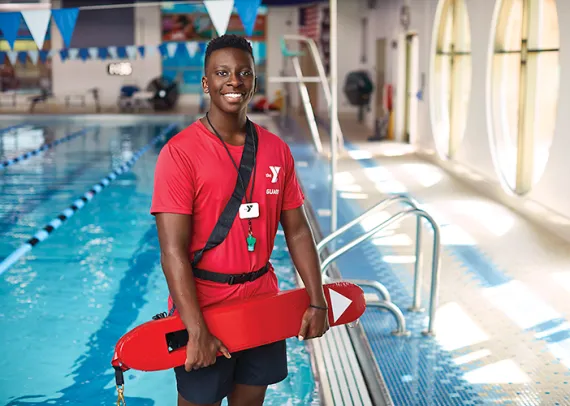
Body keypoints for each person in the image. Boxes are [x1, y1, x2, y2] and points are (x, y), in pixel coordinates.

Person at [150, 34, 330, 406]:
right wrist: (196, 330)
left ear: (253, 82)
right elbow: (172, 252)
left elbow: (297, 231)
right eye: (222, 72)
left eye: (243, 72)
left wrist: (317, 301)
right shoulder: (180, 154)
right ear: (206, 83)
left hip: (261, 304)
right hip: (204, 308)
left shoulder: (275, 148)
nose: (234, 81)